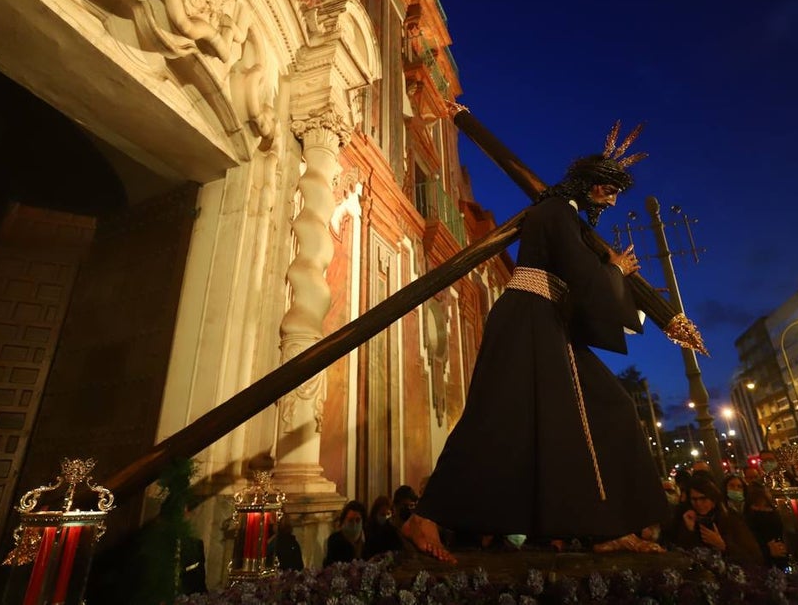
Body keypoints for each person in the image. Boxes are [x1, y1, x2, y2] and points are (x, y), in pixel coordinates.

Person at [400, 126, 682, 561]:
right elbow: (581, 275)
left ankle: (605, 527)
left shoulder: (562, 215)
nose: (609, 201)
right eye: (607, 190)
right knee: (495, 419)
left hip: (546, 320)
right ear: (590, 183)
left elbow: (575, 273)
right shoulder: (555, 212)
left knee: (598, 411)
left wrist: (607, 272)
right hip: (529, 318)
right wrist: (616, 272)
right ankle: (425, 517)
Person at [664, 473, 762, 565]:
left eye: (703, 499)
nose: (698, 504)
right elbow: (683, 554)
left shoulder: (729, 518)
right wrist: (689, 530)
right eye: (694, 499)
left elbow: (753, 555)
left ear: (713, 499)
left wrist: (724, 546)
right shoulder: (688, 518)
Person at [743, 482, 789, 569]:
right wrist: (766, 549)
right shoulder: (750, 515)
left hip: (779, 548)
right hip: (765, 553)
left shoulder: (773, 510)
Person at [323, 500, 367, 566]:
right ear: (344, 520)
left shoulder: (369, 539)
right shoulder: (334, 540)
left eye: (358, 520)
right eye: (350, 520)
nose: (354, 524)